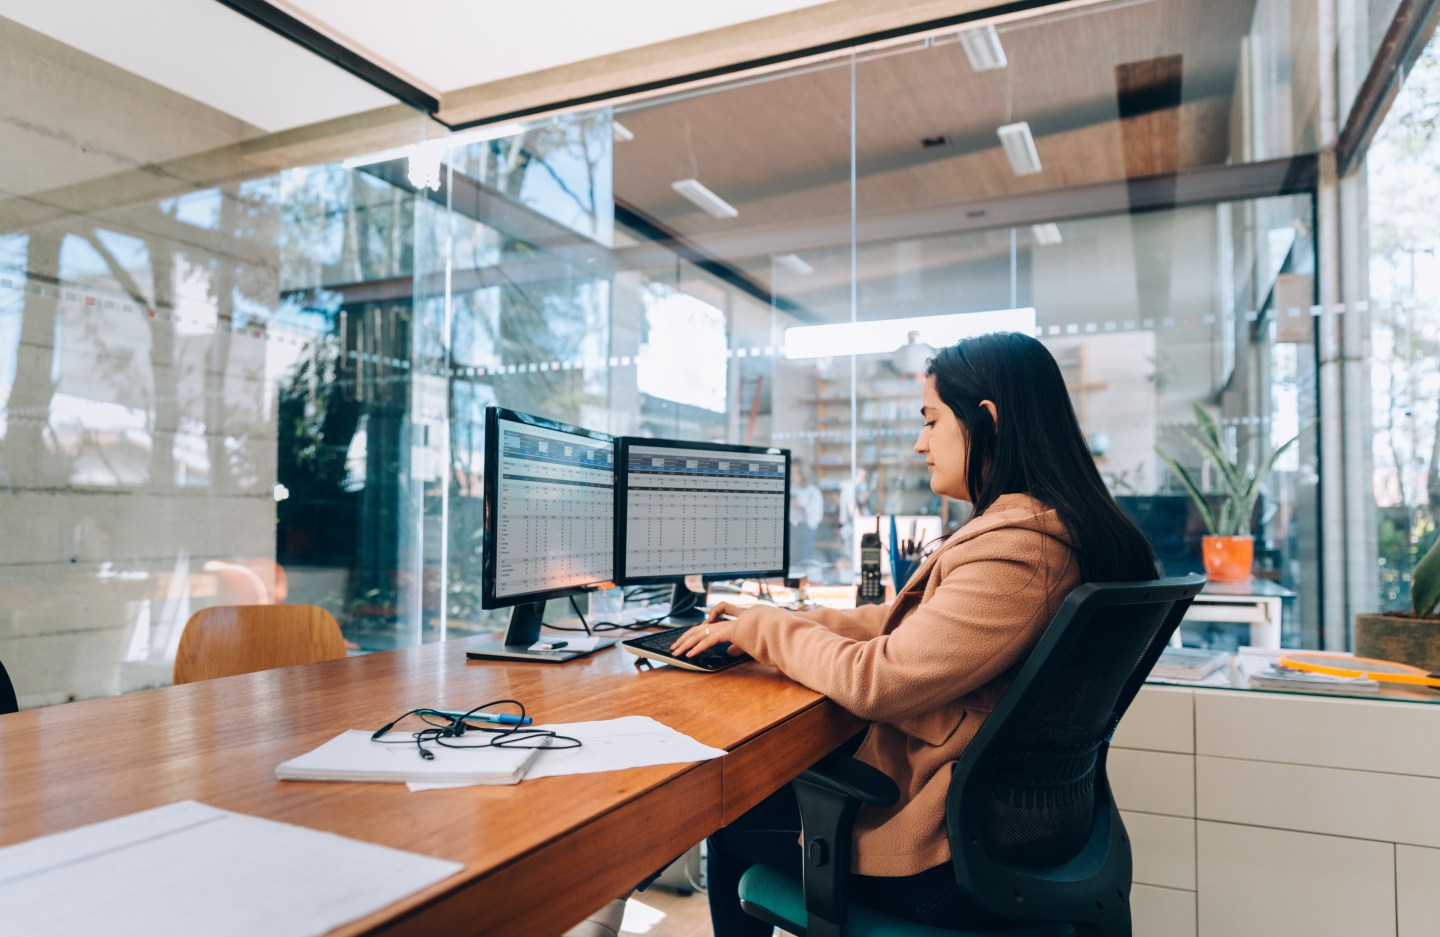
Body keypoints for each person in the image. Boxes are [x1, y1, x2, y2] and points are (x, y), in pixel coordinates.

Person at [671, 331, 1158, 933]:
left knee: (728, 821)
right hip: (1012, 835)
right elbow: (906, 625)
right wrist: (776, 623)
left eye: (931, 421)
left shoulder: (1022, 553)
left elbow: (878, 681)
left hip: (943, 858)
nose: (919, 443)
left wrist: (767, 629)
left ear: (988, 421)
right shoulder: (1055, 531)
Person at [787, 460, 824, 577]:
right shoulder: (787, 488)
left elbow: (816, 515)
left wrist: (802, 507)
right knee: (789, 562)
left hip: (804, 529)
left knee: (804, 563)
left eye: (796, 472)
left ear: (803, 474)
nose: (793, 476)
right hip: (789, 529)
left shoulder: (812, 491)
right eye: (791, 472)